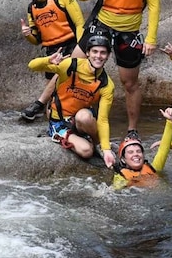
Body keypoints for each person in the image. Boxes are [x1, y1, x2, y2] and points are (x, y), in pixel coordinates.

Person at [74, 0, 160, 142]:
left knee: (129, 83)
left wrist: (150, 39)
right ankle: (68, 114)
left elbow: (155, 6)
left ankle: (132, 129)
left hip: (128, 32)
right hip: (102, 25)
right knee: (74, 65)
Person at [28, 34, 116, 168]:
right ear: (87, 53)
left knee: (84, 117)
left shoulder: (106, 84)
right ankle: (61, 135)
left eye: (103, 53)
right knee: (86, 151)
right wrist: (48, 60)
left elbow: (103, 119)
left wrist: (106, 149)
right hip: (60, 120)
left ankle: (98, 145)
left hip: (81, 118)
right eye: (95, 51)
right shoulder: (70, 65)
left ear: (108, 56)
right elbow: (32, 66)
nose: (98, 56)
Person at [20, 0, 85, 121]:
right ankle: (52, 120)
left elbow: (79, 22)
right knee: (54, 95)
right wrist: (28, 35)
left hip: (71, 44)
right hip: (52, 51)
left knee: (62, 76)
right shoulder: (32, 8)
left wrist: (80, 48)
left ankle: (38, 103)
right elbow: (36, 40)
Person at [111, 105, 172, 188]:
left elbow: (164, 148)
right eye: (130, 152)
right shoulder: (120, 177)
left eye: (138, 151)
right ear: (123, 159)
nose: (136, 154)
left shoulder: (154, 168)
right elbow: (115, 193)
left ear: (143, 155)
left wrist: (170, 122)